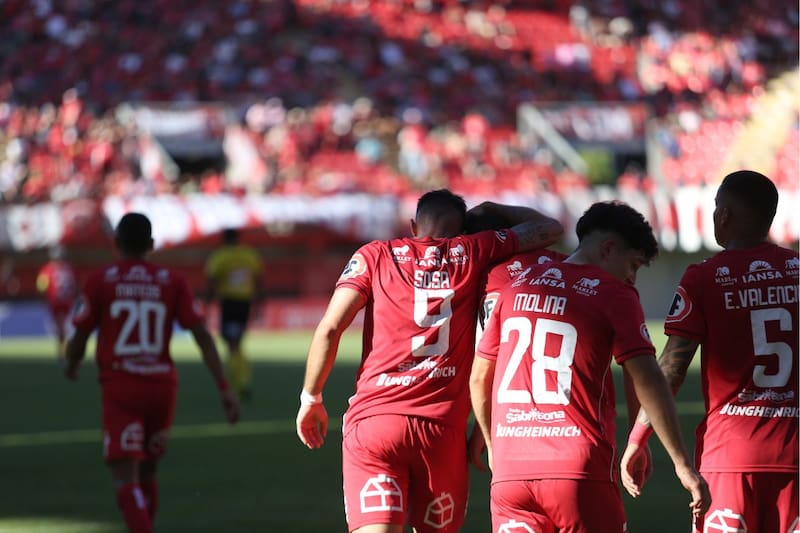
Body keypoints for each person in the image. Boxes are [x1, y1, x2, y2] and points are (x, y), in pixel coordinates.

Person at [295, 189, 564, 533]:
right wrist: (492, 208)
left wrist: (311, 398)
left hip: (376, 423)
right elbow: (549, 228)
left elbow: (331, 328)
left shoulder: (374, 254)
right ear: (462, 230)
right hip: (441, 433)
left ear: (413, 225)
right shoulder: (474, 250)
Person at [470, 201, 710, 533]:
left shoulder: (516, 287)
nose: (632, 277)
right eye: (633, 265)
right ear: (608, 248)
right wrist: (681, 464)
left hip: (511, 475)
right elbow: (649, 378)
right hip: (577, 469)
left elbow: (480, 377)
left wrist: (493, 444)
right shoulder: (615, 294)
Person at [621, 170, 798, 532]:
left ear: (724, 215)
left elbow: (670, 369)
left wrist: (638, 438)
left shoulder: (704, 277)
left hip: (730, 457)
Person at [65, 213, 239, 533]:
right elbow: (201, 335)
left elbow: (80, 335)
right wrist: (224, 387)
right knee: (147, 472)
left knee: (125, 478)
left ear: (116, 243)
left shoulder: (101, 280)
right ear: (151, 244)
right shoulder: (171, 281)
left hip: (121, 386)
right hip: (161, 388)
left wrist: (72, 364)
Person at [205, 227, 264, 400]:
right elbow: (259, 281)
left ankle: (240, 381)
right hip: (244, 303)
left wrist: (208, 304)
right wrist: (260, 304)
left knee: (232, 343)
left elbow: (213, 281)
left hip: (229, 303)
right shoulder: (249, 255)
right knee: (236, 342)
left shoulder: (219, 256)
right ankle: (239, 379)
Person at [36, 245, 78, 360]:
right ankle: (65, 351)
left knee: (60, 329)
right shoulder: (68, 268)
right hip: (67, 301)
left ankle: (62, 353)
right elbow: (73, 286)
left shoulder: (47, 269)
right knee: (65, 328)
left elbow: (41, 286)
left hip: (55, 301)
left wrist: (43, 298)